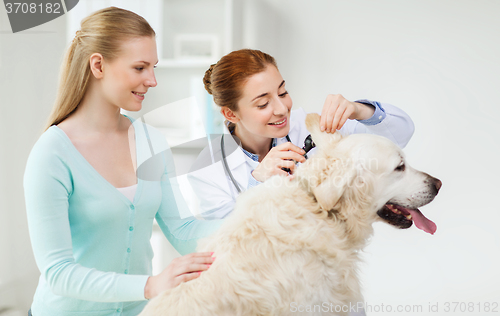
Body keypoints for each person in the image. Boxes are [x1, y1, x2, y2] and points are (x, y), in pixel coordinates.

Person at [24, 7, 220, 316]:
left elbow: (182, 231)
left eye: (153, 67)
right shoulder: (52, 154)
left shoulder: (150, 140)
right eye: (140, 67)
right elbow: (58, 272)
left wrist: (258, 215)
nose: (152, 80)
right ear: (98, 65)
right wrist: (150, 285)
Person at [188, 49, 415, 220]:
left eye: (283, 92)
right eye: (263, 103)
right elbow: (225, 240)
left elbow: (399, 135)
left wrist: (360, 110)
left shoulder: (310, 128)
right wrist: (257, 182)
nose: (281, 108)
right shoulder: (208, 169)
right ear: (230, 113)